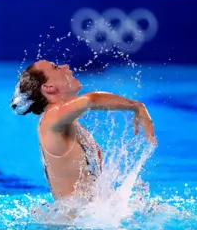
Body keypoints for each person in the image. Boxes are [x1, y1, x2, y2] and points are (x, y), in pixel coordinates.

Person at [11, 60, 156, 201]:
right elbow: (90, 100)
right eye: (55, 67)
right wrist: (137, 106)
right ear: (48, 87)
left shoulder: (68, 123)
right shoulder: (51, 119)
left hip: (83, 220)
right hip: (71, 224)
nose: (65, 66)